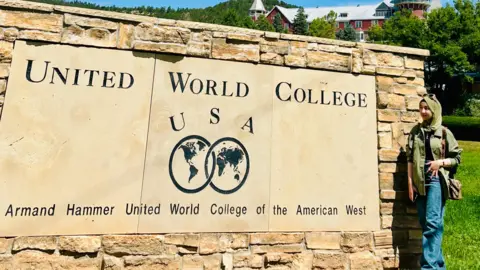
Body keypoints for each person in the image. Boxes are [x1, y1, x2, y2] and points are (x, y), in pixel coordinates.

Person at [406, 94, 462, 270]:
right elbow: (409, 159)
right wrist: (410, 183)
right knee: (428, 224)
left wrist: (440, 163)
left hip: (436, 180)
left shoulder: (444, 132)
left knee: (432, 223)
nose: (423, 111)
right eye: (421, 108)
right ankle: (439, 266)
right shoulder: (416, 132)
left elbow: (457, 158)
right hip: (419, 180)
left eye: (426, 108)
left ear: (434, 110)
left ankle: (428, 267)